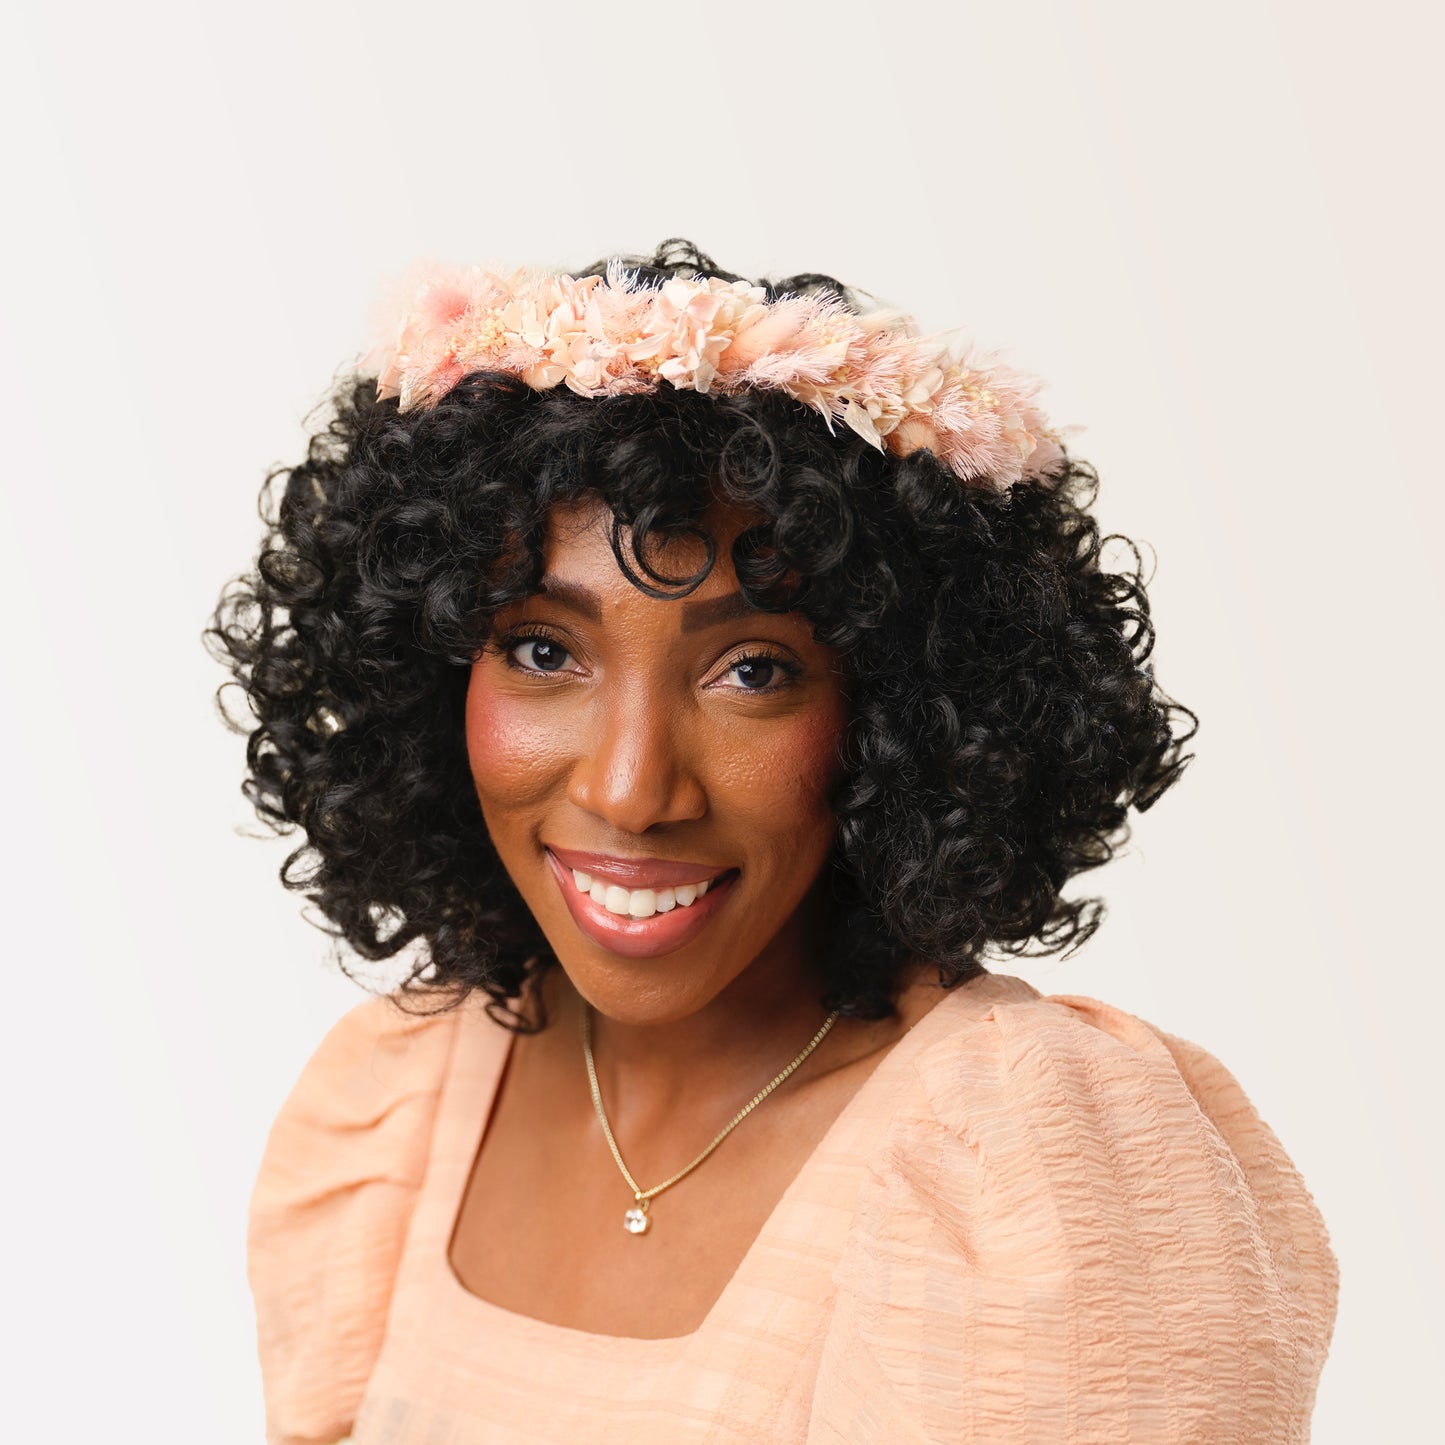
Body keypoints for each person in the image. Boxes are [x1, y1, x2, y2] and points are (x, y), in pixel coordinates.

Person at [208, 239, 1339, 1443]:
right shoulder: (401, 1101)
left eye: (751, 669)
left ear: (900, 713)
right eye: (544, 651)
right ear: (431, 678)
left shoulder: (1010, 1176)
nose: (632, 788)